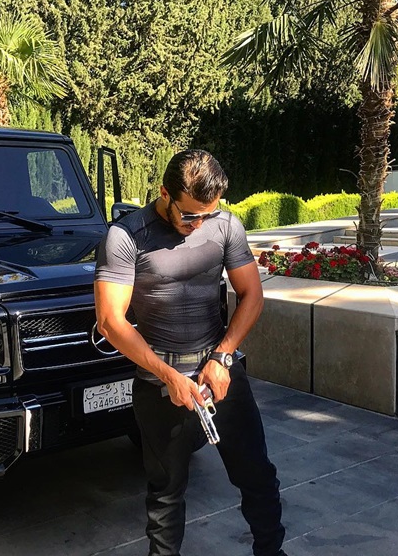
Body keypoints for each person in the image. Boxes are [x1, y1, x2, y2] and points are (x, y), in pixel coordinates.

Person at [94, 149, 286, 556]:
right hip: (160, 385)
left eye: (206, 214)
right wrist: (168, 376)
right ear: (164, 193)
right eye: (189, 215)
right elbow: (110, 321)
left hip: (220, 373)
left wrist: (222, 357)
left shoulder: (225, 225)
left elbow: (252, 295)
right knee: (166, 494)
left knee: (258, 476)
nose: (198, 223)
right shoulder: (126, 237)